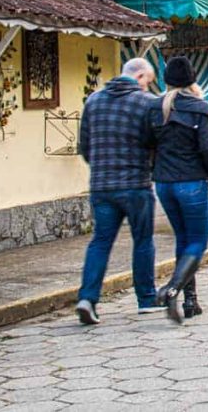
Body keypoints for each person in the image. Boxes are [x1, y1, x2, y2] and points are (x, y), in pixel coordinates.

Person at [149, 56, 208, 324]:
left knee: (184, 241)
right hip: (191, 183)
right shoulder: (201, 110)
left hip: (164, 184)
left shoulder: (154, 109)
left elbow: (148, 146)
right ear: (193, 80)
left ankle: (191, 300)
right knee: (198, 241)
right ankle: (172, 289)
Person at [76, 58, 160, 325]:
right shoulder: (146, 103)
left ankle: (88, 298)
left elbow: (85, 146)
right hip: (136, 184)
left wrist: (101, 166)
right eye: (148, 80)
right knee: (143, 241)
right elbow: (155, 142)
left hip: (101, 185)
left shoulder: (93, 101)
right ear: (139, 76)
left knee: (100, 242)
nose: (148, 86)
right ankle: (146, 299)